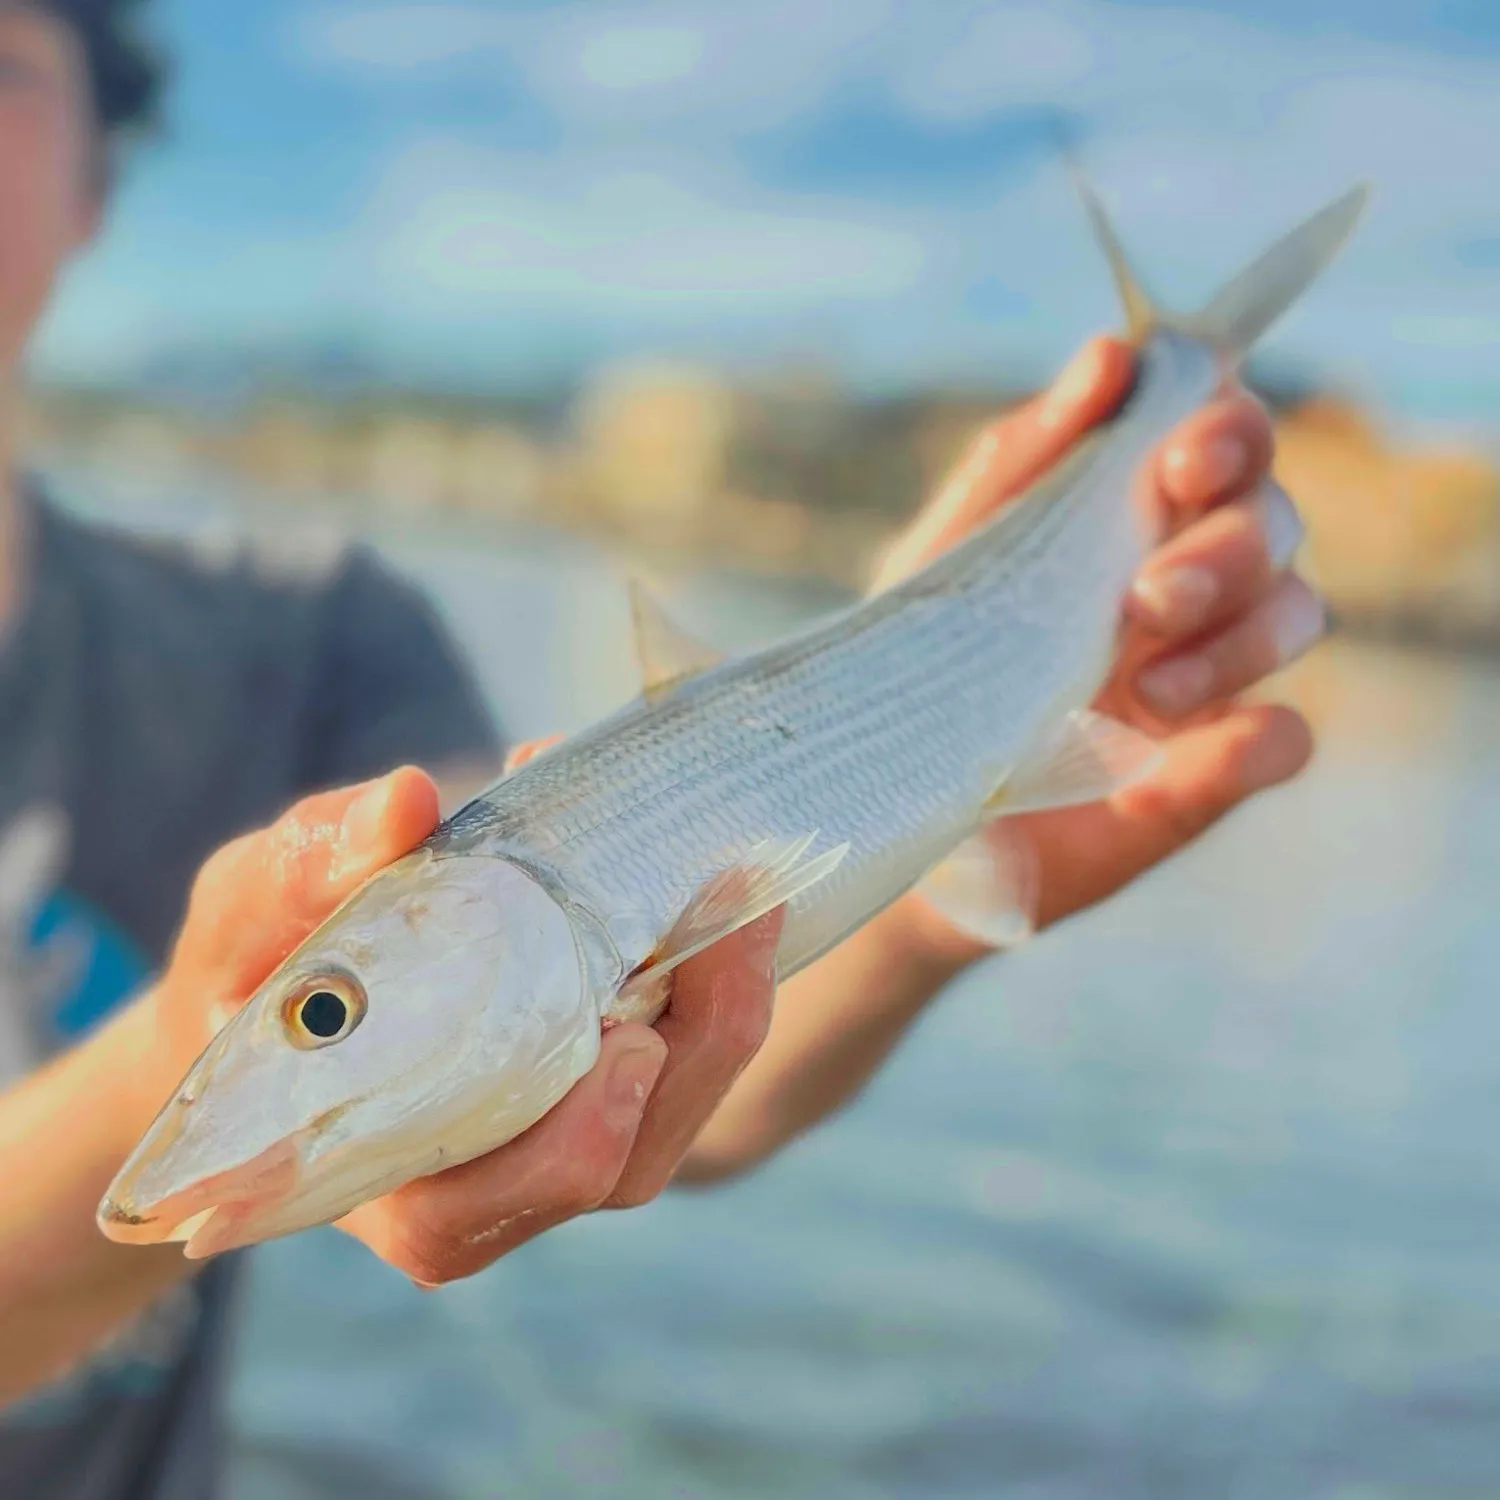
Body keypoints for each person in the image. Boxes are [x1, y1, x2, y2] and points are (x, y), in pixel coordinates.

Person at [0, 0, 1323, 1495]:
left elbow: (666, 1085)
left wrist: (938, 832)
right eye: (319, 1018)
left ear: (103, 182)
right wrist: (177, 1053)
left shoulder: (320, 631)